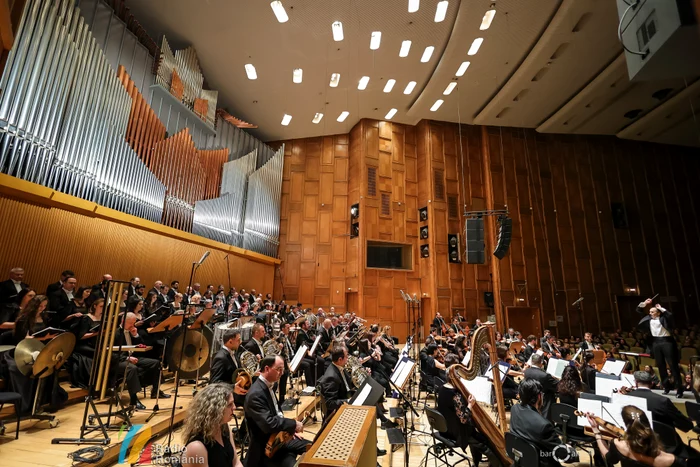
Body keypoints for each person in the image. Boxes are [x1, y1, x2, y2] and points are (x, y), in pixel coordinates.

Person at [317, 345, 392, 456]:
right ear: (340, 359)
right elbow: (330, 404)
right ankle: (369, 455)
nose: (348, 358)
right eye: (346, 356)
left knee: (371, 399)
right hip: (338, 413)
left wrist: (365, 375)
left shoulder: (340, 368)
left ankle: (372, 449)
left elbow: (349, 384)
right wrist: (348, 401)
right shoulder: (331, 376)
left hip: (347, 401)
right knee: (367, 416)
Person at [437, 353, 505, 466]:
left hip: (446, 428)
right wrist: (470, 404)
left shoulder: (442, 388)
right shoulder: (455, 395)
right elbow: (463, 419)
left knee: (475, 429)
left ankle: (476, 462)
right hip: (458, 432)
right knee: (486, 440)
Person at [244, 355, 310, 467]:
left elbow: (277, 415)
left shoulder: (268, 386)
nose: (282, 373)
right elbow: (269, 423)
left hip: (280, 438)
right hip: (268, 448)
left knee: (313, 447)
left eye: (283, 369)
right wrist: (293, 424)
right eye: (279, 369)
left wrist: (289, 430)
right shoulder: (256, 394)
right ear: (266, 369)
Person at [510, 379, 578, 467]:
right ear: (539, 396)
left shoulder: (514, 409)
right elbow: (564, 456)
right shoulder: (544, 425)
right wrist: (571, 450)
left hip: (522, 461)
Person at [587, 405, 684, 467]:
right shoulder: (671, 460)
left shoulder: (618, 445)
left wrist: (596, 431)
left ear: (626, 425)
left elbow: (609, 458)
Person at [180, 383, 244, 467]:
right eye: (229, 405)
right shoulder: (196, 448)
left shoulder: (225, 428)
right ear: (215, 410)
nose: (234, 407)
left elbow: (236, 462)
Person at [636, 299, 683, 397]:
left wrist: (660, 308)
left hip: (666, 341)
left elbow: (669, 315)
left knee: (672, 365)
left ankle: (679, 389)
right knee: (661, 365)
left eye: (652, 312)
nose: (650, 313)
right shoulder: (648, 319)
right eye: (649, 312)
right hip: (655, 342)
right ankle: (666, 387)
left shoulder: (664, 318)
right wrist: (645, 303)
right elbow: (638, 310)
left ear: (658, 313)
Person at [523, 353, 558, 419]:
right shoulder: (545, 375)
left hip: (530, 396)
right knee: (551, 393)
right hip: (542, 398)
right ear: (541, 363)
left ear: (531, 362)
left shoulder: (526, 371)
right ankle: (548, 419)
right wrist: (555, 378)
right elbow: (557, 386)